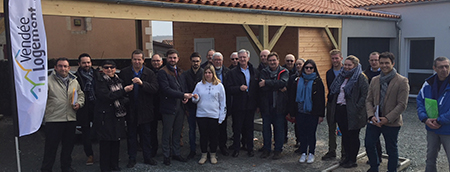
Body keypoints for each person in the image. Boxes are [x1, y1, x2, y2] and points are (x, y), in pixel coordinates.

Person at [365, 52, 409, 172]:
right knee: (369, 144)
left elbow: (402, 104)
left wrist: (387, 118)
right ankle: (374, 167)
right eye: (382, 63)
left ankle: (392, 170)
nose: (384, 65)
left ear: (393, 64)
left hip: (391, 122)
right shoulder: (374, 80)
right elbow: (368, 100)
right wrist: (371, 115)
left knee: (391, 149)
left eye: (387, 63)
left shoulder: (402, 81)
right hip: (374, 120)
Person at [41, 58, 84, 172]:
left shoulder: (74, 80)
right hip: (54, 119)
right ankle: (46, 169)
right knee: (51, 147)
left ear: (69, 68)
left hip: (70, 118)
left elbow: (80, 95)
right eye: (60, 66)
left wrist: (79, 104)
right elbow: (41, 99)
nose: (63, 68)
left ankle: (66, 167)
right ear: (55, 67)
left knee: (68, 147)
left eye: (65, 66)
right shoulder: (47, 81)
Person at [119, 49, 159, 167]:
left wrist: (142, 84)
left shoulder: (149, 73)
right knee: (131, 136)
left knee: (146, 135)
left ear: (143, 60)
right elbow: (119, 89)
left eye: (139, 59)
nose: (137, 62)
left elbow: (155, 89)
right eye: (134, 59)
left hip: (145, 109)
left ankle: (147, 157)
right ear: (131, 60)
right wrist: (125, 90)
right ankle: (132, 158)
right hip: (130, 109)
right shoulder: (125, 72)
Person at [328, 55, 368, 168]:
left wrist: (357, 107)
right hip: (341, 110)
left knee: (353, 136)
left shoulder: (360, 77)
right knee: (345, 136)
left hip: (353, 112)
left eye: (349, 65)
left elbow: (365, 95)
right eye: (345, 64)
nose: (346, 67)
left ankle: (352, 159)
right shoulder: (341, 76)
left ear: (355, 65)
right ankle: (346, 157)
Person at [94, 61, 133, 172]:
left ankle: (114, 165)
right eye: (106, 68)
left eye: (112, 67)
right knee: (106, 142)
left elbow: (125, 98)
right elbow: (106, 96)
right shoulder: (100, 81)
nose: (109, 70)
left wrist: (121, 96)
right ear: (102, 69)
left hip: (118, 114)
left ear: (115, 69)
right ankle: (105, 167)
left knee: (116, 140)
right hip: (105, 116)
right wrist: (123, 91)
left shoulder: (118, 80)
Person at [158, 49, 193, 165]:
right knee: (167, 132)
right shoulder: (162, 72)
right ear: (166, 59)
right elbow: (166, 90)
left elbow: (184, 86)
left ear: (178, 59)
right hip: (168, 105)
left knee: (178, 131)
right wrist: (182, 94)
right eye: (170, 58)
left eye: (174, 58)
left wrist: (185, 96)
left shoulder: (181, 72)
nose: (172, 60)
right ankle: (166, 155)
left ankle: (176, 153)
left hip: (180, 106)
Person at [288, 59, 325, 164]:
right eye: (307, 67)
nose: (308, 69)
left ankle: (311, 153)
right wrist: (292, 112)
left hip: (312, 113)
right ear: (303, 68)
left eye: (311, 68)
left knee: (311, 134)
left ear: (314, 69)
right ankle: (303, 152)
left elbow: (321, 100)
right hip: (300, 112)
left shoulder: (317, 81)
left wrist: (321, 115)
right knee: (302, 133)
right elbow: (292, 97)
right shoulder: (298, 80)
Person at [417, 56, 450, 172]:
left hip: (448, 129)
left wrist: (441, 120)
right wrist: (425, 119)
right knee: (430, 157)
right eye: (441, 67)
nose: (444, 69)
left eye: (447, 66)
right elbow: (420, 102)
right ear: (434, 68)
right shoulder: (428, 83)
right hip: (431, 128)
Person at [226, 49, 259, 158]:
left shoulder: (254, 71)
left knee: (249, 128)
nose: (242, 59)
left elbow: (257, 89)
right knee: (237, 128)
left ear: (248, 58)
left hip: (250, 105)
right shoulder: (232, 73)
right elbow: (228, 89)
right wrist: (239, 88)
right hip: (238, 105)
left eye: (244, 57)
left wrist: (257, 104)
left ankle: (250, 148)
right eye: (240, 57)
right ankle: (236, 149)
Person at [192, 65, 227, 164]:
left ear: (213, 74)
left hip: (214, 115)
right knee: (203, 136)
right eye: (206, 73)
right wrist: (196, 97)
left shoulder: (219, 86)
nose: (208, 75)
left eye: (210, 73)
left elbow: (223, 102)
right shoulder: (199, 85)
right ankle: (203, 155)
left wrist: (221, 117)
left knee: (214, 136)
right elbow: (194, 99)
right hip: (201, 115)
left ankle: (213, 154)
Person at [259, 52, 289, 160]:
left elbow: (283, 83)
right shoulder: (264, 71)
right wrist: (276, 85)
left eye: (274, 60)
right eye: (270, 60)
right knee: (266, 130)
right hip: (266, 107)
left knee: (279, 130)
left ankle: (278, 150)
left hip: (279, 107)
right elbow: (262, 88)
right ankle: (267, 149)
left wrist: (267, 83)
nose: (272, 62)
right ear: (267, 61)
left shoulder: (284, 71)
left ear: (278, 61)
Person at [74, 53, 99, 165]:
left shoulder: (97, 75)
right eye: (84, 63)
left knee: (101, 131)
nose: (86, 64)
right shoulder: (75, 78)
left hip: (97, 106)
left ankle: (104, 155)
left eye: (88, 62)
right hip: (84, 107)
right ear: (79, 64)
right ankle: (90, 155)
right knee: (86, 134)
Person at [322, 49, 345, 161]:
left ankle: (344, 153)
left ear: (341, 58)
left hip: (343, 104)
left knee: (344, 128)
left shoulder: (346, 71)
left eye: (337, 58)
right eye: (333, 58)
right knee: (331, 127)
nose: (335, 60)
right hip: (332, 103)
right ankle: (332, 150)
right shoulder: (329, 73)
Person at [182, 52, 204, 159]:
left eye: (197, 61)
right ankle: (192, 150)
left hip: (203, 106)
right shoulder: (185, 74)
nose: (195, 63)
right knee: (191, 129)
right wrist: (186, 107)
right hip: (190, 106)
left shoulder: (205, 73)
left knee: (203, 129)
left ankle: (204, 150)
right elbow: (184, 89)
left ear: (200, 61)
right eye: (194, 61)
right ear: (191, 61)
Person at [363, 51, 383, 164]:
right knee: (372, 137)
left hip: (383, 108)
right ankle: (375, 158)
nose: (374, 62)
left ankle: (394, 160)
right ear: (369, 61)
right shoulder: (365, 74)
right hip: (370, 108)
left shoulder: (385, 74)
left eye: (376, 60)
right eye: (372, 60)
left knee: (389, 137)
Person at [211, 52, 231, 156]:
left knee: (223, 127)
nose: (218, 62)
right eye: (216, 60)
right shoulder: (208, 72)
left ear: (222, 61)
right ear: (212, 61)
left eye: (220, 60)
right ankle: (212, 147)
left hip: (223, 104)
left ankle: (223, 146)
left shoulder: (228, 72)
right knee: (212, 127)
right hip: (211, 105)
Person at [149, 53, 164, 157]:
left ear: (162, 62)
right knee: (152, 129)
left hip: (164, 104)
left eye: (158, 61)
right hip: (152, 105)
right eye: (154, 61)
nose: (156, 63)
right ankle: (153, 149)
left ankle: (167, 150)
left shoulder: (166, 72)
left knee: (166, 129)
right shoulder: (148, 73)